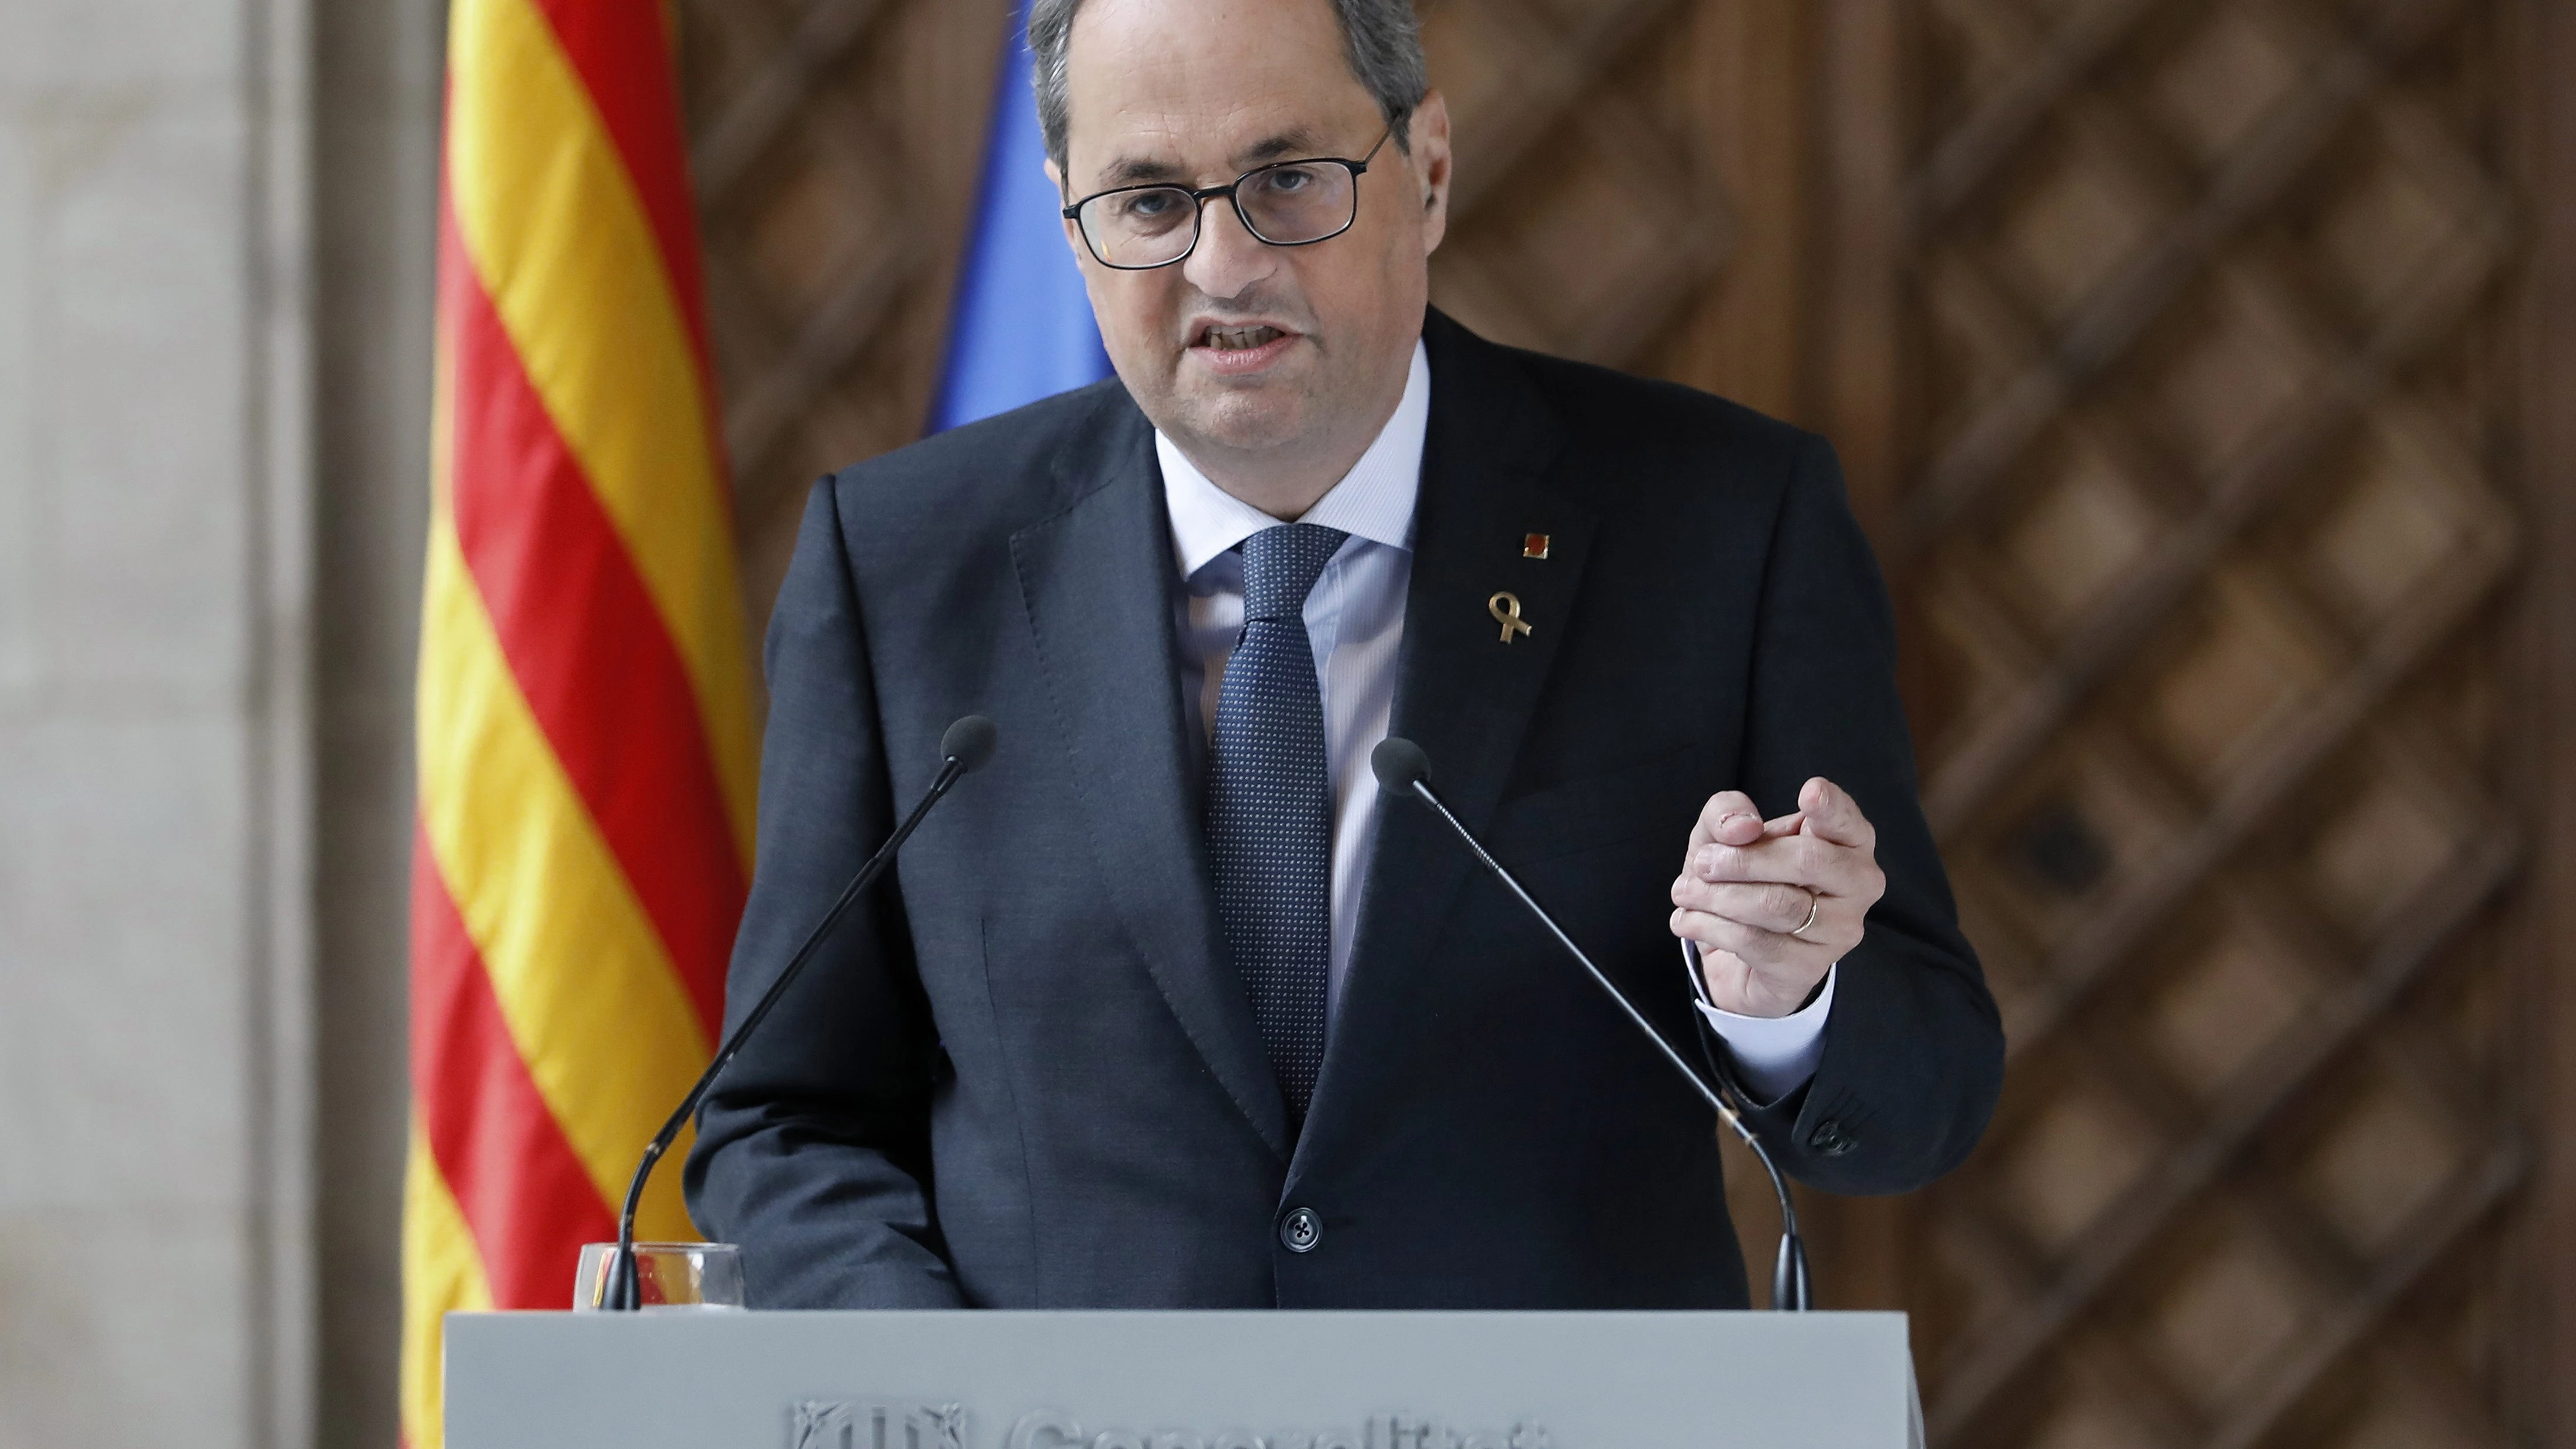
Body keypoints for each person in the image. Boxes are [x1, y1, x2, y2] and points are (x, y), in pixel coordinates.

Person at [684, 0, 2003, 1309]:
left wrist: (1792, 1001)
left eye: (1289, 180)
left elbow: (1925, 1089)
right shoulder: (903, 566)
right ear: (1068, 220)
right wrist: (941, 1395)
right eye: (1148, 203)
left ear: (1426, 173)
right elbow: (783, 1120)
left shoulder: (1721, 526)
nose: (1222, 266)